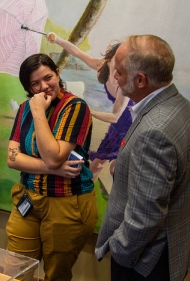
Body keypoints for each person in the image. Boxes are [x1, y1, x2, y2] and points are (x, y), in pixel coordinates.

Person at [95, 35, 190, 281]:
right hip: (170, 255)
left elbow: (146, 216)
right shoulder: (180, 105)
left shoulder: (155, 129)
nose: (114, 77)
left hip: (145, 263)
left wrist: (119, 250)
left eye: (119, 71)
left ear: (141, 80)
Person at [5, 53, 98, 281]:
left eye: (48, 78)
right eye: (36, 83)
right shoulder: (25, 108)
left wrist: (38, 113)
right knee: (15, 272)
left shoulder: (75, 107)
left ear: (57, 73)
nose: (44, 86)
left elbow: (54, 155)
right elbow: (12, 158)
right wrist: (52, 168)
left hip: (67, 204)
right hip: (28, 198)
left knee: (56, 279)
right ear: (28, 87)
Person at [46, 33, 134, 181]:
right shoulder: (103, 65)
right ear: (110, 58)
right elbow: (78, 53)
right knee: (97, 164)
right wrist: (57, 40)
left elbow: (115, 116)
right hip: (117, 127)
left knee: (114, 169)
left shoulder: (124, 84)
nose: (118, 68)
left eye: (123, 63)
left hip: (129, 125)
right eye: (116, 61)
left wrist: (88, 110)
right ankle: (86, 194)